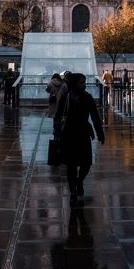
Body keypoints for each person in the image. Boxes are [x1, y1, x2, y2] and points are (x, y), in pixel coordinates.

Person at [54, 72, 105, 206]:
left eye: (85, 82)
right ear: (75, 83)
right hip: (69, 133)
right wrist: (57, 129)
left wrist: (100, 132)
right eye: (81, 82)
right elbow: (58, 114)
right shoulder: (67, 96)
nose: (84, 84)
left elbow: (95, 115)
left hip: (83, 132)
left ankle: (79, 181)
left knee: (86, 163)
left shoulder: (88, 97)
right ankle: (73, 192)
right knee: (71, 166)